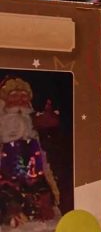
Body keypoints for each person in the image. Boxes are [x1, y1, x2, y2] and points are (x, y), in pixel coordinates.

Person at [0, 77, 60, 230]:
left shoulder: (31, 120)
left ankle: (41, 215)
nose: (20, 99)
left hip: (33, 165)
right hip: (9, 167)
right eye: (15, 95)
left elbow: (47, 123)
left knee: (41, 190)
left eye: (23, 95)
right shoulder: (4, 121)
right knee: (10, 194)